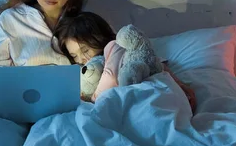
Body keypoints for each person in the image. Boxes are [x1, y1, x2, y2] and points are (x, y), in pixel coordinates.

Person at [54, 12, 197, 113]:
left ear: (97, 37)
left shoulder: (116, 47)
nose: (82, 59)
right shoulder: (87, 68)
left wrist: (181, 85)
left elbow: (158, 67)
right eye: (74, 55)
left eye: (85, 50)